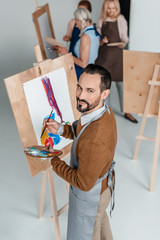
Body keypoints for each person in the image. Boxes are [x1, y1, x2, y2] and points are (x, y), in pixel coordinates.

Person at [44, 64, 117, 240]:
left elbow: (83, 183)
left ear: (104, 93)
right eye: (79, 87)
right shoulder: (101, 110)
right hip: (103, 189)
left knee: (89, 232)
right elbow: (82, 130)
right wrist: (61, 129)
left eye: (90, 91)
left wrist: (54, 160)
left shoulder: (95, 139)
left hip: (92, 198)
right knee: (100, 220)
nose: (81, 95)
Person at [95, 0, 138, 123]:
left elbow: (125, 38)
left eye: (113, 8)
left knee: (122, 86)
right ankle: (105, 112)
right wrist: (102, 41)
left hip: (118, 56)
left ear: (117, 8)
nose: (111, 11)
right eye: (109, 8)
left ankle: (127, 111)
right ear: (105, 8)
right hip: (105, 56)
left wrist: (124, 43)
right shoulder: (100, 21)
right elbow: (96, 40)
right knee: (104, 86)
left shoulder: (121, 19)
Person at [57, 8, 101, 80]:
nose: (76, 26)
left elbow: (84, 64)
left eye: (76, 22)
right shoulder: (94, 31)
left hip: (82, 74)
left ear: (81, 21)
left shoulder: (85, 37)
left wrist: (66, 54)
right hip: (89, 72)